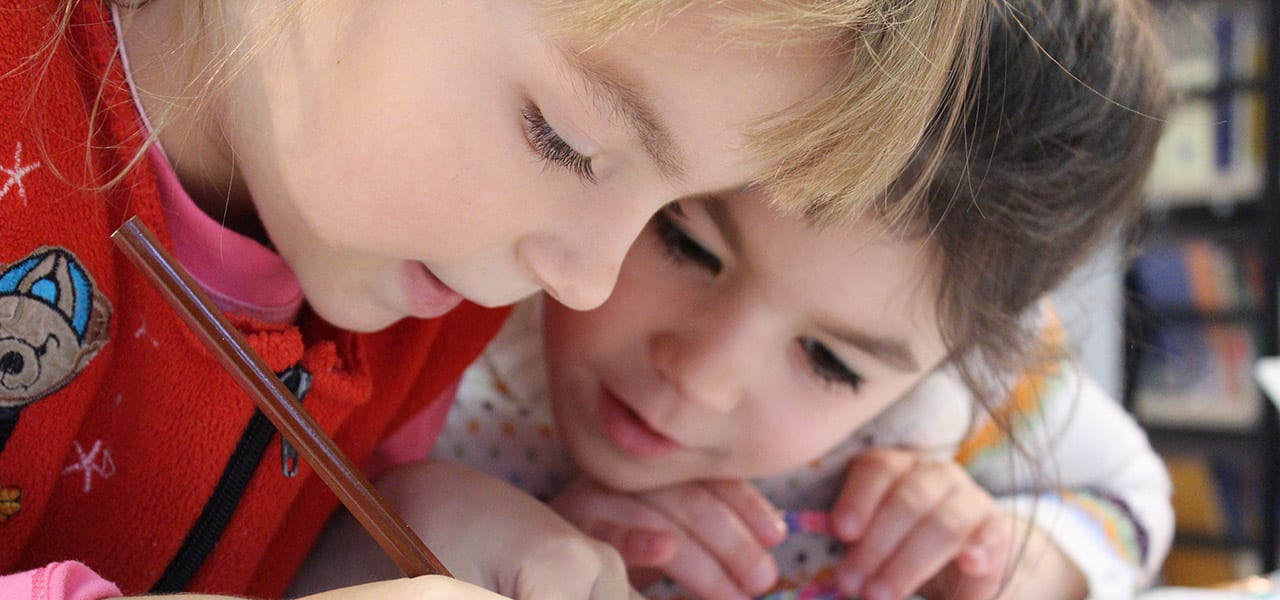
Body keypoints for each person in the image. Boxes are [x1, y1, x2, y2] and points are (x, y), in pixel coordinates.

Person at [0, 0, 989, 599]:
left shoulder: (430, 292)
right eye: (563, 139)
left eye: (670, 204)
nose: (586, 280)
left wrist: (408, 540)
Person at [297, 0, 1173, 598]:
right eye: (686, 244)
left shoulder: (954, 406)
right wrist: (446, 522)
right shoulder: (456, 288)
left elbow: (1132, 497)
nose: (703, 378)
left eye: (830, 361)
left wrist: (1018, 560)